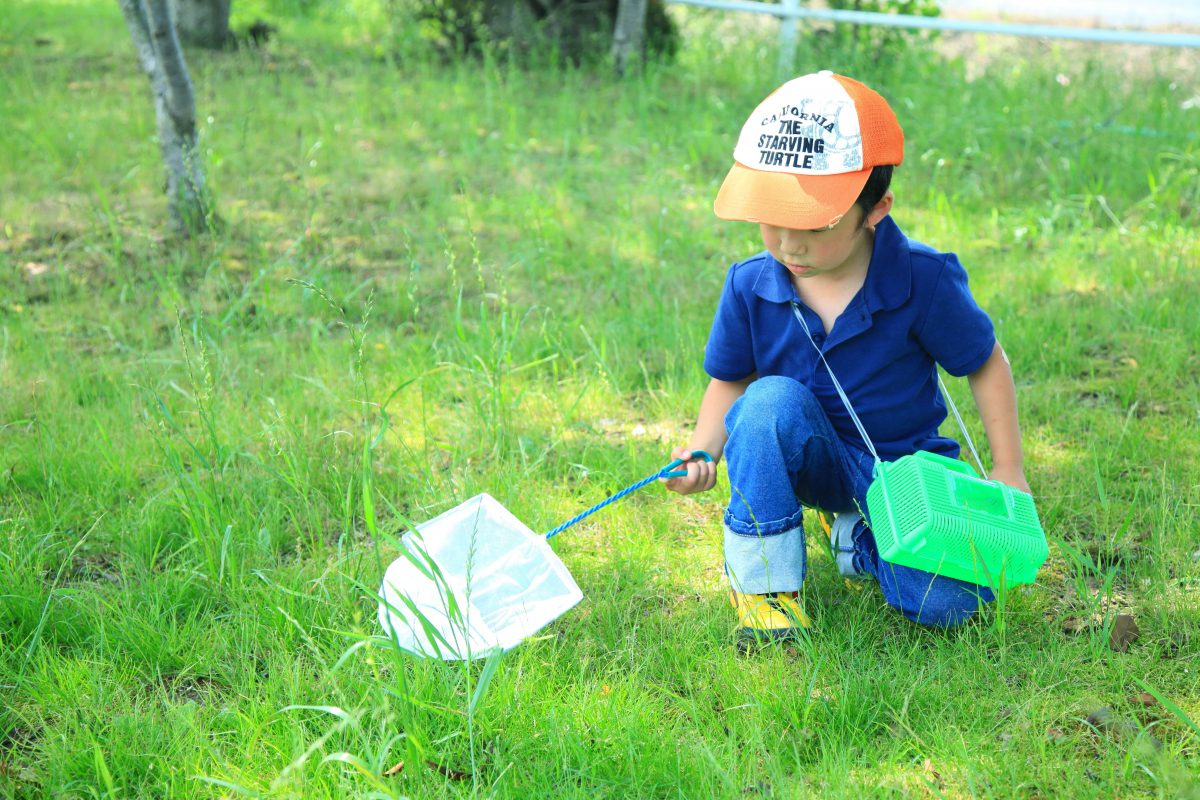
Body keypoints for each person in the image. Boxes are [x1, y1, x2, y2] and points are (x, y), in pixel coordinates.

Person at [662, 71, 1031, 650]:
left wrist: (1008, 469)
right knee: (768, 401)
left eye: (814, 224)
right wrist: (703, 450)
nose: (789, 244)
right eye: (772, 218)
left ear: (875, 208)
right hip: (809, 458)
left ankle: (857, 539)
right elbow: (729, 380)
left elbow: (985, 363)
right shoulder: (751, 285)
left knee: (954, 603)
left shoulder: (924, 279)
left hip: (903, 475)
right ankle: (766, 594)